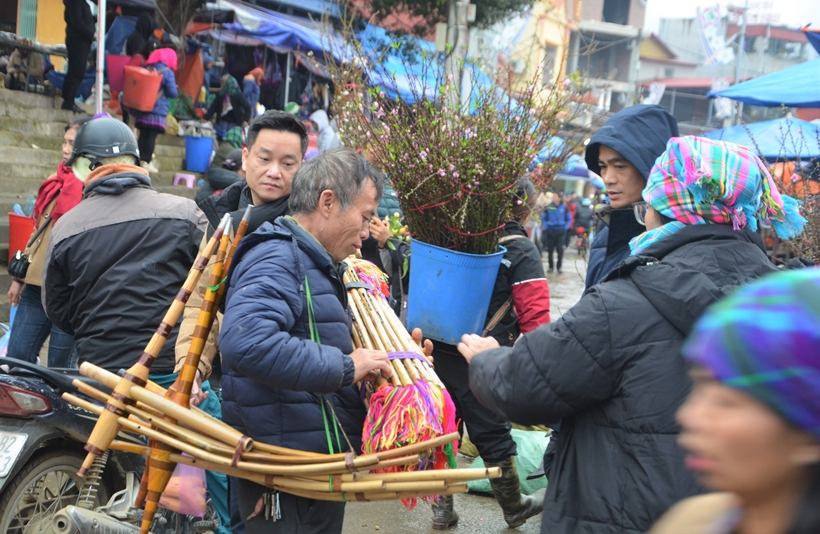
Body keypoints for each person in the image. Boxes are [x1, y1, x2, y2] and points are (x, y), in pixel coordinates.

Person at [458, 136, 806, 534]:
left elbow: (524, 387)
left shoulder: (625, 301)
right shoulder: (788, 304)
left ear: (668, 209)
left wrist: (487, 359)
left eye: (649, 207)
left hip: (617, 515)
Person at [218, 148, 395, 533]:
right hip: (283, 476)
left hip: (314, 467)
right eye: (365, 217)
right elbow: (247, 342)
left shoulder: (317, 263)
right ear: (327, 202)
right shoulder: (278, 258)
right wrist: (346, 367)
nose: (366, 233)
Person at [176, 111, 308, 534]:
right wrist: (191, 369)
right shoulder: (225, 219)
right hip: (235, 387)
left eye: (288, 163)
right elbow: (203, 303)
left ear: (302, 166)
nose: (274, 172)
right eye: (265, 159)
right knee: (239, 511)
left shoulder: (308, 223)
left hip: (292, 393)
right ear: (246, 157)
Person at [650, 269, 820, 534]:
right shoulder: (690, 523)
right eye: (700, 386)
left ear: (808, 438)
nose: (688, 416)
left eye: (725, 401)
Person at [431, 178, 551, 530]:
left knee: (443, 428)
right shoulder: (520, 249)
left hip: (435, 351)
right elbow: (537, 323)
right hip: (481, 357)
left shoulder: (447, 236)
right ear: (524, 208)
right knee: (492, 433)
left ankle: (441, 509)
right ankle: (514, 507)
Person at [5, 117, 89, 367]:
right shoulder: (55, 179)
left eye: (72, 143)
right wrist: (19, 278)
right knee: (17, 357)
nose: (65, 149)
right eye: (64, 142)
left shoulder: (93, 187)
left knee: (59, 367)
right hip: (36, 284)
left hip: (70, 290)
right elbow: (37, 231)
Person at [584, 104, 679, 289]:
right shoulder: (606, 232)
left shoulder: (676, 240)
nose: (608, 178)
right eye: (602, 167)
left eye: (620, 167)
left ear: (651, 168)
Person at [133, 47, 177, 173]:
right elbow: (172, 93)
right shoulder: (167, 72)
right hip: (157, 110)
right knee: (151, 137)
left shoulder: (147, 68)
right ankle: (146, 161)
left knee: (142, 135)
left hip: (143, 108)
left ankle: (139, 161)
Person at [62, 0, 95, 113]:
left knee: (78, 71)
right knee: (76, 71)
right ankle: (68, 102)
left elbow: (84, 19)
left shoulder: (81, 3)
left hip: (82, 41)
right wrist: (91, 33)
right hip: (78, 41)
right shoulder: (75, 3)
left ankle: (69, 101)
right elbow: (78, 23)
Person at [204, 74, 251, 141]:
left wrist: (245, 120)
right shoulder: (221, 95)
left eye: (223, 84)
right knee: (220, 140)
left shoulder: (237, 95)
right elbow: (213, 108)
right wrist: (205, 118)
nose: (221, 86)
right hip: (222, 124)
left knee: (231, 141)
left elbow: (248, 107)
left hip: (234, 124)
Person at [540, 192, 571, 273]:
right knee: (550, 250)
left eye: (555, 196)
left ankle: (559, 267)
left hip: (561, 231)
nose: (553, 198)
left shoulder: (564, 207)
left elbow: (569, 218)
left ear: (559, 198)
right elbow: (543, 218)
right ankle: (550, 266)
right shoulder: (549, 207)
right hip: (550, 231)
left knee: (560, 250)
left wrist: (565, 227)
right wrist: (546, 226)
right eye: (553, 196)